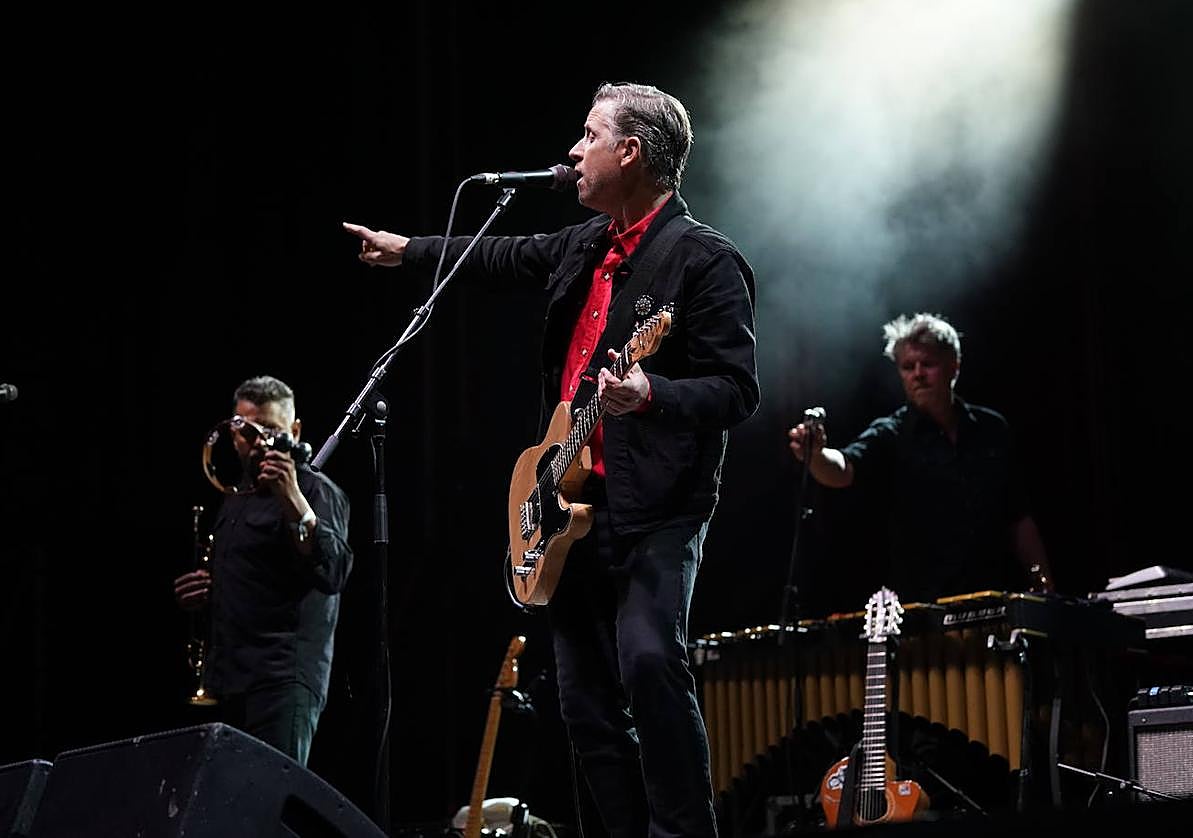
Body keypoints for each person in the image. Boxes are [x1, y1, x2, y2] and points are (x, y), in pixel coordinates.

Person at [344, 82, 758, 837]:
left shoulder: (703, 260)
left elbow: (736, 389)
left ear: (630, 151)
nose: (572, 150)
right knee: (585, 707)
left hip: (655, 510)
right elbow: (498, 255)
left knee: (648, 665)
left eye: (590, 135)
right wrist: (409, 251)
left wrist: (652, 392)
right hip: (569, 510)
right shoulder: (583, 245)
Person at [788, 312, 1054, 603]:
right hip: (925, 612)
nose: (917, 374)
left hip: (994, 600)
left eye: (927, 364)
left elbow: (1019, 517)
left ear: (954, 365)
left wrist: (1043, 585)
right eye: (907, 367)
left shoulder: (992, 429)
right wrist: (817, 455)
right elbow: (843, 469)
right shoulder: (892, 433)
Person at [173, 375, 353, 767]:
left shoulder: (315, 489)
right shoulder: (235, 499)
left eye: (269, 430)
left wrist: (291, 496)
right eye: (245, 431)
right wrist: (208, 592)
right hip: (229, 681)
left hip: (280, 681)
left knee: (266, 809)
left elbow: (334, 571)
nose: (256, 443)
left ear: (295, 430)